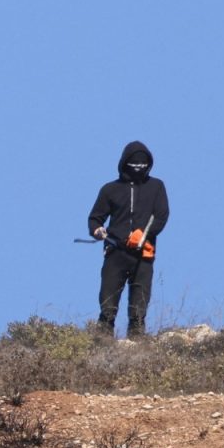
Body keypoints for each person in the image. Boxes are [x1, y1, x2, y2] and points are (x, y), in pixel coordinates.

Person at [87, 141, 169, 337]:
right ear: (124, 163)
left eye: (142, 164)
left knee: (139, 304)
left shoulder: (156, 187)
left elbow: (161, 215)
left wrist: (144, 234)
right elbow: (95, 218)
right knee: (108, 302)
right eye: (134, 163)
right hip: (115, 251)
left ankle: (137, 343)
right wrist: (97, 230)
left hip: (144, 253)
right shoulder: (110, 190)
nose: (138, 167)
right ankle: (103, 341)